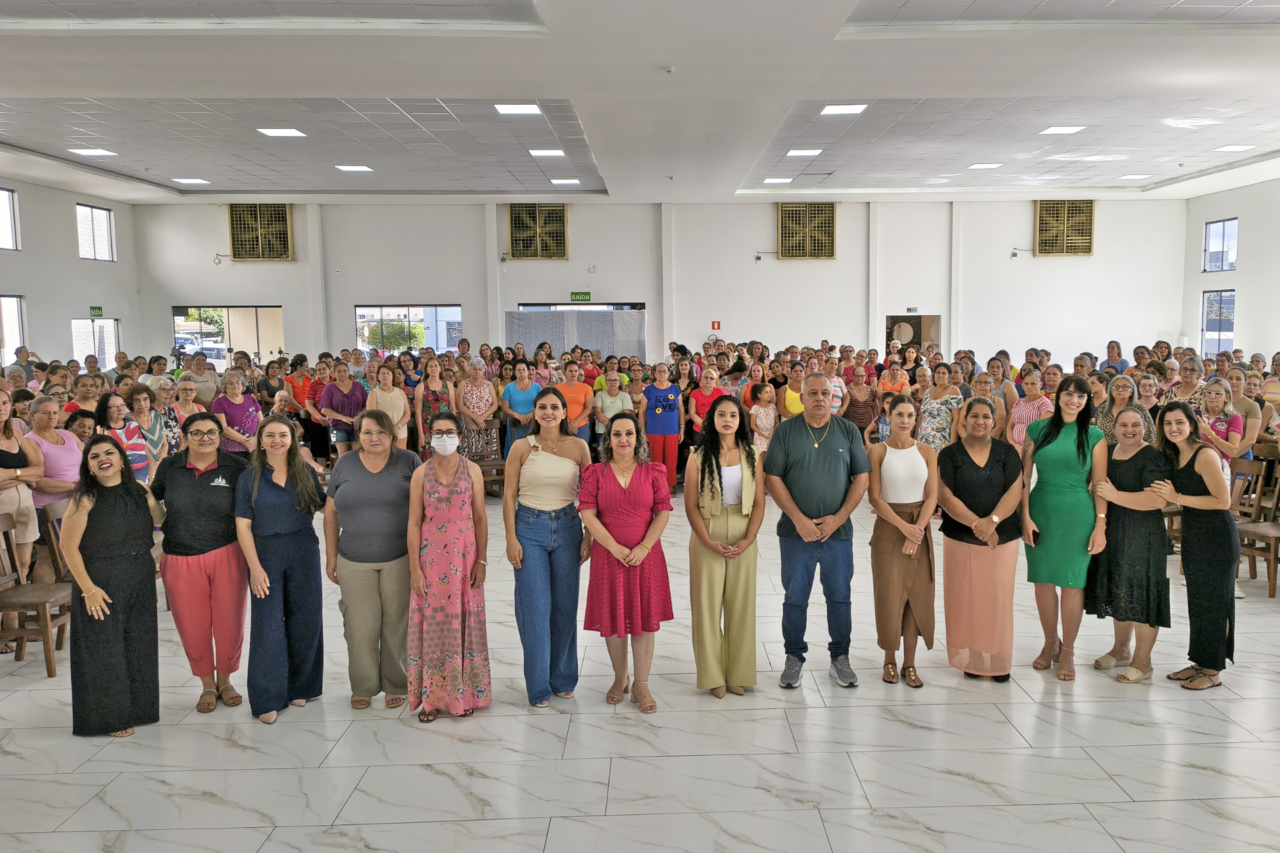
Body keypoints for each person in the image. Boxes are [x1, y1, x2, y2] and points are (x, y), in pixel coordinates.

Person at [764, 372, 871, 689]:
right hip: (796, 534)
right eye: (813, 393)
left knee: (840, 598)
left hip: (838, 534)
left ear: (833, 396)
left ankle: (840, 658)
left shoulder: (848, 430)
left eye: (826, 393)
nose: (820, 398)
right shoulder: (785, 432)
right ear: (803, 395)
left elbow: (861, 478)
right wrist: (798, 519)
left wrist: (838, 518)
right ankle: (793, 657)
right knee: (795, 598)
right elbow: (773, 478)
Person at [62, 435, 165, 736]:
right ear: (90, 466)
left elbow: (161, 520)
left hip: (139, 574)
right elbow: (68, 548)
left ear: (122, 458)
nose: (103, 459)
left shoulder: (139, 490)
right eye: (95, 456)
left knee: (139, 643)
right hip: (100, 579)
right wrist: (89, 590)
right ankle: (109, 718)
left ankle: (140, 710)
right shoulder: (85, 497)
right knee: (103, 648)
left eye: (109, 453)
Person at [149, 413, 251, 713]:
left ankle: (226, 679)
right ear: (185, 435)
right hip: (180, 557)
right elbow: (151, 502)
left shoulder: (237, 467)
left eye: (211, 432)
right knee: (192, 626)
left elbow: (250, 511)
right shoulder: (170, 466)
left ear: (221, 435)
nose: (205, 438)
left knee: (229, 623)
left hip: (228, 553)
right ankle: (207, 684)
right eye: (197, 433)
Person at [324, 409, 421, 711]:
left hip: (399, 557)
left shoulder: (409, 461)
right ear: (358, 436)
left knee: (396, 623)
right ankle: (363, 685)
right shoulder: (345, 463)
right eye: (367, 432)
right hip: (353, 558)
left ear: (393, 435)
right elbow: (330, 512)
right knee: (359, 625)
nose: (374, 438)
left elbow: (425, 511)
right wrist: (330, 556)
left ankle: (395, 682)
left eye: (381, 432)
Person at [234, 415, 327, 723]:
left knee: (306, 618)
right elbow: (243, 526)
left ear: (292, 439)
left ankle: (302, 685)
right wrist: (255, 568)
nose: (277, 440)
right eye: (270, 435)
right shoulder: (250, 477)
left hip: (303, 550)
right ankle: (268, 697)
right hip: (266, 554)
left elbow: (326, 506)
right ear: (260, 440)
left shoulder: (304, 473)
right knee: (268, 624)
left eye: (283, 435)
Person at [503, 388, 592, 707]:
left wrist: (588, 535)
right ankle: (538, 685)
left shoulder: (580, 446)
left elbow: (590, 495)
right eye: (542, 407)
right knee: (535, 608)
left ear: (566, 412)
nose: (548, 411)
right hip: (529, 528)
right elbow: (509, 495)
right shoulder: (520, 447)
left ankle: (563, 677)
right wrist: (511, 538)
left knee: (565, 608)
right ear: (535, 412)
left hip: (568, 527)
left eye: (555, 406)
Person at [580, 412, 673, 713]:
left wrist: (645, 546)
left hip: (646, 556)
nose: (623, 439)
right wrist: (613, 547)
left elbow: (662, 512)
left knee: (644, 619)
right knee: (613, 616)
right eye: (616, 434)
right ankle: (620, 677)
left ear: (638, 438)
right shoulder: (595, 473)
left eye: (629, 434)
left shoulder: (654, 471)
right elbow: (588, 515)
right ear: (607, 439)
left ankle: (641, 684)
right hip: (609, 555)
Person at [1020, 374, 1108, 681]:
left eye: (1081, 396)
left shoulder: (1094, 436)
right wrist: (1025, 516)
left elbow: (1098, 484)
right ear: (1058, 396)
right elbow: (1023, 476)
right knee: (1043, 582)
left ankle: (1068, 650)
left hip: (1078, 514)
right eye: (1069, 394)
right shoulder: (1037, 429)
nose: (1074, 400)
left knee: (1073, 584)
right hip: (1042, 507)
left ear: (1087, 401)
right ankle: (1049, 644)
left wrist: (1100, 525)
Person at [408, 411, 492, 721]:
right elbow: (414, 521)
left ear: (459, 435)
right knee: (433, 625)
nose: (445, 437)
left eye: (450, 432)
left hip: (465, 557)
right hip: (431, 559)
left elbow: (481, 517)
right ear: (429, 436)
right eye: (438, 432)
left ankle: (465, 692)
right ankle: (432, 699)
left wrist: (481, 560)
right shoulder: (421, 473)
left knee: (465, 623)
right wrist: (415, 569)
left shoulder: (472, 471)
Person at [1150, 402, 1238, 690]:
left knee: (1215, 602)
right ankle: (1200, 661)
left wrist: (1177, 497)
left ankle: (1213, 671)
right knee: (1198, 602)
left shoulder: (1204, 454)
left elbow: (1222, 501)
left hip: (1217, 537)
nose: (1173, 428)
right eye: (1167, 423)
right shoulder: (1175, 455)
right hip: (1195, 534)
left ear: (1192, 423)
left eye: (1179, 422)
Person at [1084, 407, 1173, 683]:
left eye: (1136, 424)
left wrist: (1114, 494)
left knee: (1142, 593)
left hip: (1143, 533)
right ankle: (1121, 649)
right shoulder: (1107, 451)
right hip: (1113, 528)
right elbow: (1095, 485)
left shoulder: (1153, 457)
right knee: (1118, 588)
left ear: (1145, 427)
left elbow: (1158, 501)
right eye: (1123, 424)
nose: (1129, 429)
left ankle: (1143, 661)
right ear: (1114, 425)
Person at [937, 398, 1023, 681]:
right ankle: (973, 653)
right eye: (974, 416)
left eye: (986, 416)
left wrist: (993, 521)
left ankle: (998, 655)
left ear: (994, 420)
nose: (980, 421)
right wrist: (977, 524)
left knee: (997, 598)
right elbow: (945, 496)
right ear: (964, 419)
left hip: (1002, 537)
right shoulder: (949, 455)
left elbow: (1015, 491)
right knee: (965, 597)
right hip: (961, 536)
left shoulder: (1007, 452)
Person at [685, 396, 764, 697]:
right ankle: (712, 675)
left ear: (741, 420)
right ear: (712, 419)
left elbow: (758, 502)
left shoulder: (753, 454)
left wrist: (750, 538)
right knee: (706, 606)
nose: (727, 419)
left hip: (744, 528)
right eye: (721, 414)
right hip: (709, 528)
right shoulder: (698, 454)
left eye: (733, 414)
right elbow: (690, 505)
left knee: (741, 605)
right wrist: (706, 540)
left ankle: (739, 673)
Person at [866, 395, 938, 688]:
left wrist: (917, 530)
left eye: (910, 415)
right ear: (888, 415)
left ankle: (910, 663)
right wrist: (903, 529)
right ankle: (889, 659)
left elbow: (933, 495)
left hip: (920, 527)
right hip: (889, 527)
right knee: (890, 595)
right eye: (899, 415)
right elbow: (874, 496)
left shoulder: (927, 451)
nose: (905, 421)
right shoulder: (878, 452)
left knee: (917, 598)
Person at [29, 395, 82, 513]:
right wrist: (75, 487)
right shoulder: (29, 441)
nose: (51, 417)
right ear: (32, 415)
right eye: (45, 413)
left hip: (78, 502)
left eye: (55, 413)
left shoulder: (68, 435)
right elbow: (36, 481)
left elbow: (88, 463)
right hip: (50, 509)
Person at [641, 362, 684, 496]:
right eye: (659, 371)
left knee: (672, 459)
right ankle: (656, 487)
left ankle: (670, 487)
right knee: (656, 460)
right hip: (654, 430)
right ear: (654, 374)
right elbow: (642, 411)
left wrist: (682, 428)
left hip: (672, 430)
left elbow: (681, 410)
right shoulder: (648, 390)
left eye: (664, 371)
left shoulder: (675, 389)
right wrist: (642, 430)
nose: (662, 374)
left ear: (669, 374)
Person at [319, 361, 367, 459]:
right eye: (339, 371)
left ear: (349, 372)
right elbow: (324, 409)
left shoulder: (358, 386)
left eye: (345, 371)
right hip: (337, 426)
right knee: (344, 456)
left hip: (357, 426)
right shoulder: (329, 388)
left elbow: (366, 405)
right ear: (334, 373)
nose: (342, 374)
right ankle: (343, 474)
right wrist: (342, 418)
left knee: (357, 455)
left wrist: (360, 416)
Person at [1096, 375, 1156, 445]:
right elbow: (1096, 434)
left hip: (1134, 451)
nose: (1120, 390)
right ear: (1110, 391)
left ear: (1132, 391)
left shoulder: (1140, 409)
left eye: (1125, 387)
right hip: (1105, 451)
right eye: (1116, 387)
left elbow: (1152, 436)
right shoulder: (1102, 409)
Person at [1006, 368, 1054, 455]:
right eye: (1026, 383)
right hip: (1014, 449)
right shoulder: (1019, 402)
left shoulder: (1044, 404)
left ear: (1040, 384)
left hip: (1033, 451)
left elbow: (1043, 432)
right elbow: (1010, 427)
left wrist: (1025, 449)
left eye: (1033, 384)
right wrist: (1013, 444)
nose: (1029, 386)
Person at [917, 364, 963, 453]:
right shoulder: (928, 391)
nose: (940, 375)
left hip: (942, 440)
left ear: (949, 376)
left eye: (944, 373)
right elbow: (921, 416)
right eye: (938, 373)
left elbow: (956, 419)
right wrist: (915, 439)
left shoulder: (953, 391)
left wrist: (952, 443)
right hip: (923, 438)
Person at [366, 363, 412, 450]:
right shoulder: (374, 393)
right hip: (382, 434)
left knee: (401, 459)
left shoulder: (400, 392)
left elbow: (407, 414)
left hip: (400, 432)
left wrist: (396, 427)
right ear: (378, 376)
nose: (386, 375)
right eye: (383, 373)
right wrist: (388, 430)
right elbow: (372, 417)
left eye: (388, 373)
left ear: (392, 376)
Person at [500, 360, 541, 458]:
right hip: (514, 424)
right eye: (519, 370)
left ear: (528, 371)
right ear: (515, 372)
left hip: (533, 423)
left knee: (533, 450)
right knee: (515, 451)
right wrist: (518, 415)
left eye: (524, 369)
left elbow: (542, 405)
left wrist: (530, 415)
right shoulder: (509, 387)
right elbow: (504, 407)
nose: (521, 372)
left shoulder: (537, 387)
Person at [415, 357, 453, 448]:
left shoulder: (448, 385)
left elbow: (452, 408)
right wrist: (421, 434)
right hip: (428, 426)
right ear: (427, 370)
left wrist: (453, 428)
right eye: (430, 366)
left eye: (436, 366)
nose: (434, 368)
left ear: (440, 368)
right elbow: (418, 412)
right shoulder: (421, 386)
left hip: (445, 425)